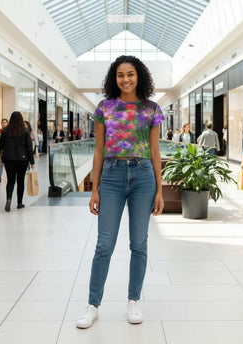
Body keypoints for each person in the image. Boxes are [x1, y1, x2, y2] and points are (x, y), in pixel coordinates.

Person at [76, 55, 164, 329]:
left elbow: (155, 152)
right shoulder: (105, 107)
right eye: (119, 75)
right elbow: (99, 149)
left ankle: (133, 300)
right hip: (112, 177)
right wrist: (95, 188)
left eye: (130, 74)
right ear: (114, 78)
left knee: (139, 244)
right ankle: (93, 305)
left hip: (143, 177)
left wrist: (160, 190)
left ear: (140, 77)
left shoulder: (151, 109)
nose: (125, 79)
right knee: (104, 245)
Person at [0, 112, 35, 212]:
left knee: (10, 181)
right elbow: (29, 147)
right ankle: (19, 203)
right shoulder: (25, 130)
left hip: (9, 159)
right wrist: (32, 161)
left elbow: (0, 144)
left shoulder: (5, 130)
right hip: (22, 159)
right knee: (20, 181)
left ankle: (9, 199)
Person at [0, 118, 8, 183]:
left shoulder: (10, 131)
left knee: (8, 165)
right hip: (1, 151)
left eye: (5, 122)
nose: (3, 124)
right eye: (2, 122)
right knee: (0, 164)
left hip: (8, 151)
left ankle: (11, 176)